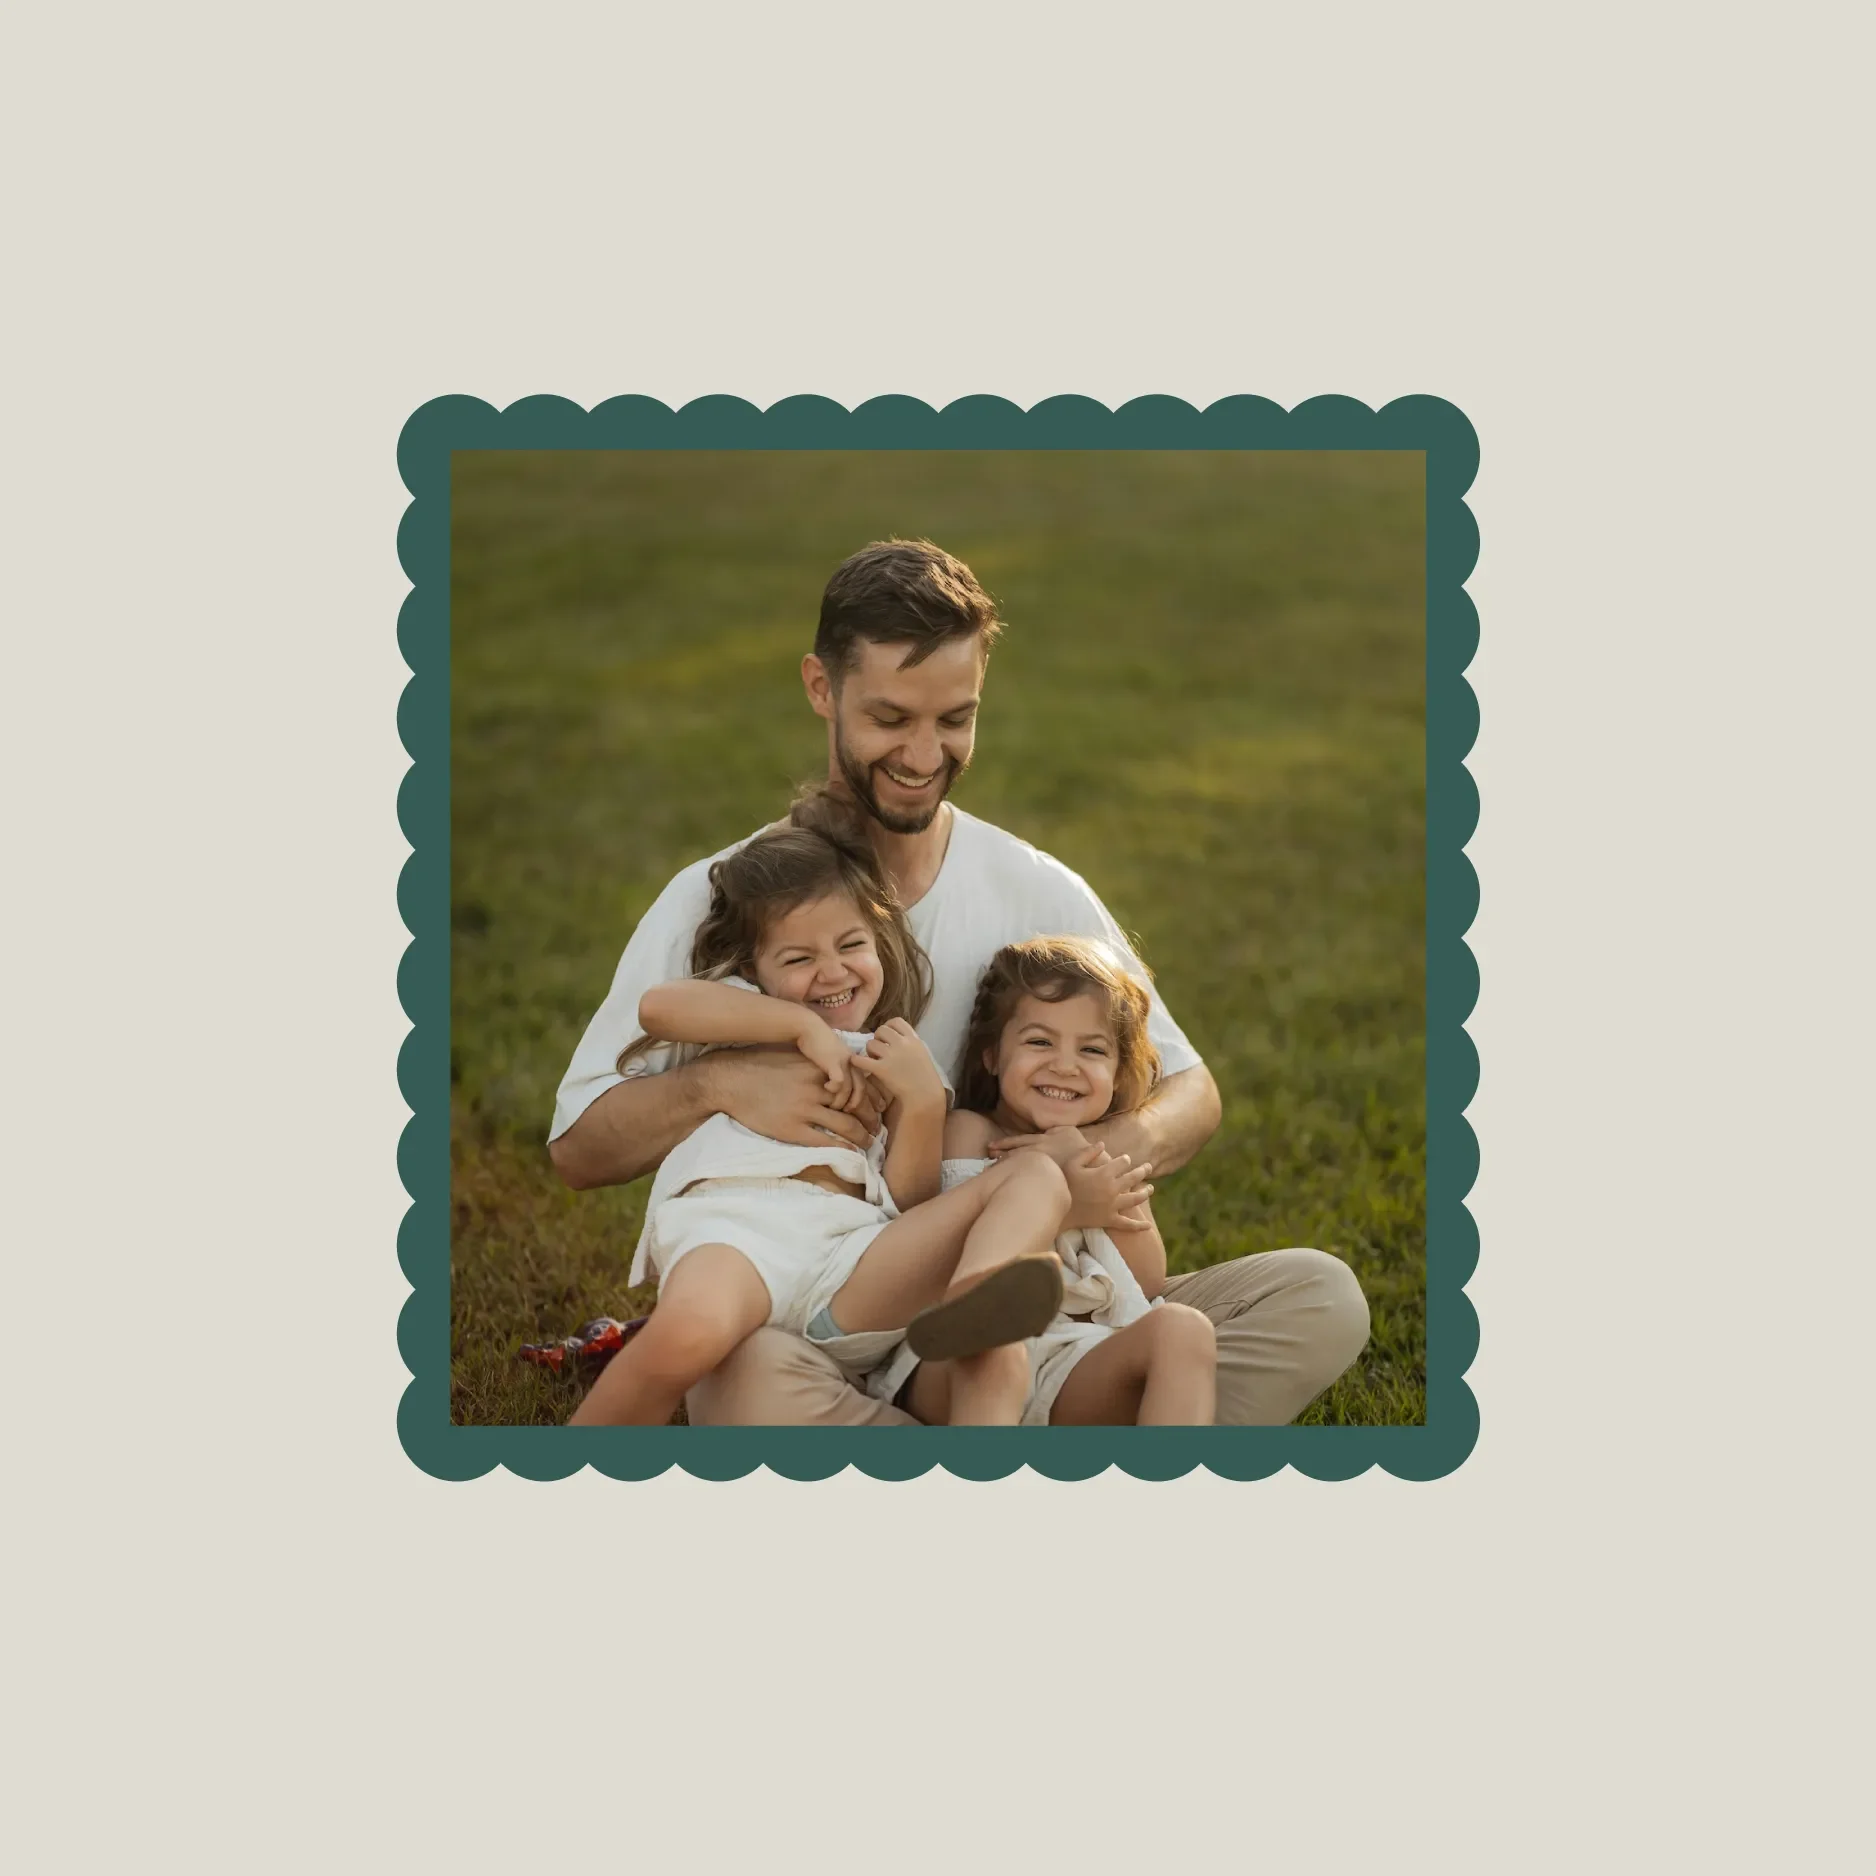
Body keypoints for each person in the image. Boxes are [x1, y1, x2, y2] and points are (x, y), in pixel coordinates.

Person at [549, 538, 1371, 1425]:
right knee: (744, 1373)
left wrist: (1065, 1176)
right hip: (813, 1309)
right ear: (821, 690)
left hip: (1011, 1297)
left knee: (1319, 1297)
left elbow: (1190, 1092)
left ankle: (996, 1419)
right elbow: (580, 1150)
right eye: (892, 718)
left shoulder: (1034, 887)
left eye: (955, 719)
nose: (923, 753)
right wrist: (713, 1082)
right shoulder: (729, 898)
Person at [566, 801, 1149, 1427]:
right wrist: (798, 1026)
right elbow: (659, 1007)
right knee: (685, 1336)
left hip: (851, 1260)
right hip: (743, 1230)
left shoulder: (897, 1054)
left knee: (1034, 1177)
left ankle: (977, 1309)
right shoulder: (748, 1015)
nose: (832, 971)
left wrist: (922, 1106)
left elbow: (909, 1201)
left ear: (881, 943)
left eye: (851, 945)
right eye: (798, 959)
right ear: (752, 969)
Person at [894, 936, 1220, 1427]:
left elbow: (1146, 1282)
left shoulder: (1106, 1155)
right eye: (1039, 1042)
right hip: (960, 1366)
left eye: (1092, 1050)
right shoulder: (972, 1133)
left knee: (1183, 1329)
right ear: (992, 1056)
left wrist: (1092, 1171)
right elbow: (949, 1260)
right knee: (994, 1344)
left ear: (1116, 1072)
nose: (1065, 1065)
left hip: (1071, 1363)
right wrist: (1071, 1205)